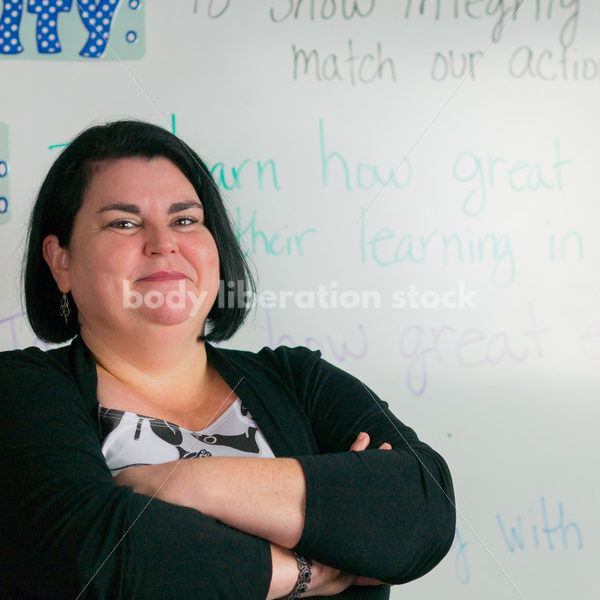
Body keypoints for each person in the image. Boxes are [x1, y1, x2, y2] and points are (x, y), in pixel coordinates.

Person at [0, 119, 455, 600]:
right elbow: (97, 558)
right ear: (61, 262)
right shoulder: (22, 391)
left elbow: (424, 508)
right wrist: (310, 561)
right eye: (124, 223)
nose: (163, 242)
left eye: (185, 219)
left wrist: (180, 483)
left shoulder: (297, 380)